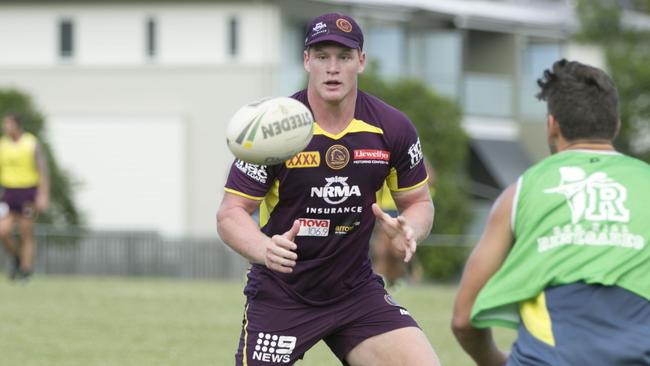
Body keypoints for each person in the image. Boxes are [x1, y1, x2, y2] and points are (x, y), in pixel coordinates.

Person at [217, 12, 440, 366]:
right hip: (282, 294)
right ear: (307, 60)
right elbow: (230, 214)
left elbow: (418, 202)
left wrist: (411, 228)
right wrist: (263, 247)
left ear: (360, 62)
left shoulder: (391, 127)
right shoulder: (275, 129)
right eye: (322, 56)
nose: (332, 68)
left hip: (355, 293)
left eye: (344, 57)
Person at [451, 59, 650, 365]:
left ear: (552, 124)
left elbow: (463, 320)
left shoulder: (519, 192)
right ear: (616, 126)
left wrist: (497, 362)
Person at [0, 113, 49, 280]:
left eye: (7, 124)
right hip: (9, 193)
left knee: (25, 232)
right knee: (3, 232)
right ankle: (17, 258)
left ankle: (26, 270)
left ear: (16, 125)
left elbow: (42, 170)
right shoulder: (3, 144)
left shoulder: (30, 142)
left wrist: (43, 194)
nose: (5, 127)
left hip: (28, 192)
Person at [372, 160, 434, 288]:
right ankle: (384, 279)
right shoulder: (381, 155)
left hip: (401, 208)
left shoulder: (412, 156)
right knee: (384, 248)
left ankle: (404, 274)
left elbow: (431, 178)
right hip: (383, 208)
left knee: (395, 248)